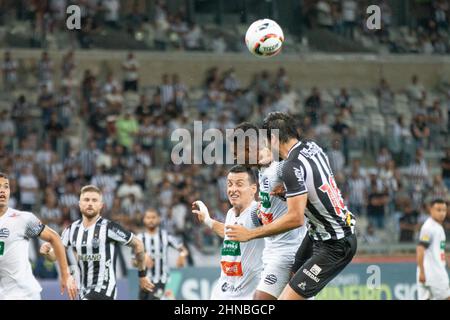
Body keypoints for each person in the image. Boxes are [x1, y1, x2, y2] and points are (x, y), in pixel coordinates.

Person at [226, 112, 357, 300]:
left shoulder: (289, 166)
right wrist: (292, 193)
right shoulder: (312, 147)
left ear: (273, 139)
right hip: (316, 235)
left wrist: (250, 234)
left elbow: (295, 218)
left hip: (335, 242)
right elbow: (316, 185)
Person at [233, 122, 306, 300]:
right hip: (273, 250)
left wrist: (249, 233)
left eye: (237, 153)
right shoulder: (262, 169)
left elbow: (299, 162)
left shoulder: (278, 166)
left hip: (288, 252)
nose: (235, 158)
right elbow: (269, 206)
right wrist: (259, 212)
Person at [40, 185, 154, 300]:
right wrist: (47, 252)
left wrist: (142, 275)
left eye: (94, 200)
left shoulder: (110, 228)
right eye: (86, 200)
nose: (90, 203)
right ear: (79, 204)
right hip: (84, 290)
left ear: (101, 206)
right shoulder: (71, 230)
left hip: (104, 290)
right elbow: (55, 256)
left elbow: (138, 243)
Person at [0, 172, 76, 300]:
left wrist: (65, 274)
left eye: (6, 186)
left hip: (25, 295)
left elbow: (55, 238)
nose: (2, 190)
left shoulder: (22, 219)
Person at [192, 165, 264, 300]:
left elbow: (278, 223)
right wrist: (207, 220)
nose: (233, 189)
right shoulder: (231, 212)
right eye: (230, 184)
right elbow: (229, 233)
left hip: (248, 294)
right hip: (224, 289)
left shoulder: (257, 211)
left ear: (253, 189)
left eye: (239, 184)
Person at [136, 208, 188, 300]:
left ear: (159, 219)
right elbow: (133, 261)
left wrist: (182, 255)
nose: (151, 220)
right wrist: (143, 258)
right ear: (144, 219)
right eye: (148, 217)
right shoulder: (139, 239)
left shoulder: (165, 236)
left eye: (153, 217)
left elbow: (183, 249)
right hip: (145, 282)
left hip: (162, 281)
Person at [416, 199, 450, 300]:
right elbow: (420, 249)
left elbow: (440, 250)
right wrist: (422, 271)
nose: (442, 213)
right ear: (431, 210)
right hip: (434, 273)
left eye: (444, 210)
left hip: (431, 272)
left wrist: (447, 261)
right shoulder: (429, 228)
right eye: (438, 210)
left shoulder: (438, 227)